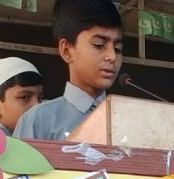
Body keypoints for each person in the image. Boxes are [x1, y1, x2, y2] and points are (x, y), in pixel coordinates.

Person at [13, 0, 122, 141]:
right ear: (66, 50)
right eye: (99, 45)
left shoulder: (129, 119)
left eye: (118, 48)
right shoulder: (38, 121)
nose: (112, 56)